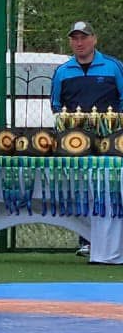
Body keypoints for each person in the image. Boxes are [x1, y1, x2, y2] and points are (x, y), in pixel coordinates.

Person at [50, 20, 123, 257]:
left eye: (84, 38)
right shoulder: (62, 71)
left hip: (110, 143)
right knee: (82, 189)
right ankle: (88, 240)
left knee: (110, 189)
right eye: (75, 38)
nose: (79, 43)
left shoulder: (114, 67)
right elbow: (56, 105)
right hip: (75, 144)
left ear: (94, 39)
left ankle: (113, 242)